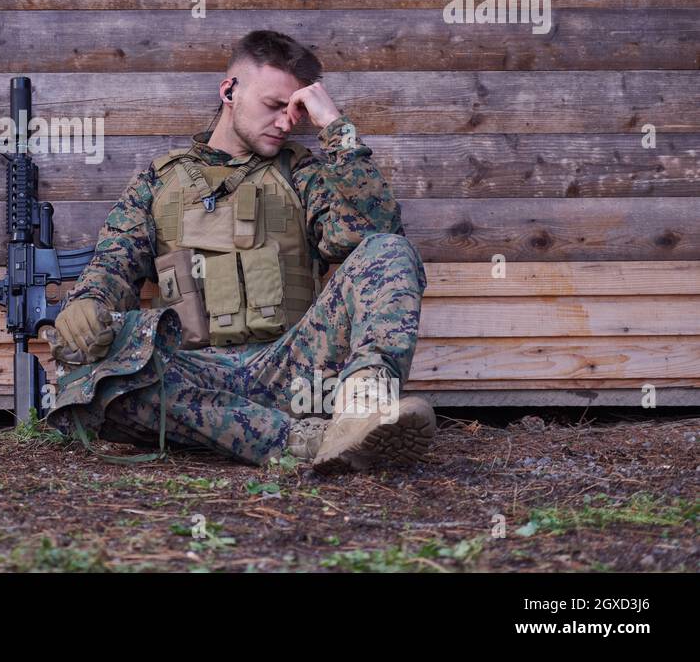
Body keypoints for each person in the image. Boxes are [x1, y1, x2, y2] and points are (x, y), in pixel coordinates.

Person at [43, 30, 436, 474]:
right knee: (96, 385)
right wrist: (88, 305)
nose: (286, 123)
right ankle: (311, 442)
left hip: (295, 372)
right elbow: (115, 264)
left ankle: (363, 408)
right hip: (192, 378)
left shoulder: (301, 174)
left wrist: (335, 129)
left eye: (295, 112)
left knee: (388, 249)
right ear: (230, 91)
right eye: (273, 106)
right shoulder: (156, 184)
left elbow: (373, 233)